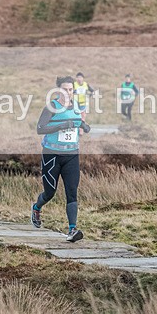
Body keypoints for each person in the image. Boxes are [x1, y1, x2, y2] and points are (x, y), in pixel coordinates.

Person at [31, 76, 91, 242]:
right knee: (50, 193)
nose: (67, 92)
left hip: (72, 155)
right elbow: (40, 129)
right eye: (64, 89)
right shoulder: (51, 107)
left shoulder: (77, 106)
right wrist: (62, 125)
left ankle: (72, 230)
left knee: (72, 192)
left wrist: (84, 126)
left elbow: (78, 121)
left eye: (70, 89)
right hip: (51, 156)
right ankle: (36, 207)